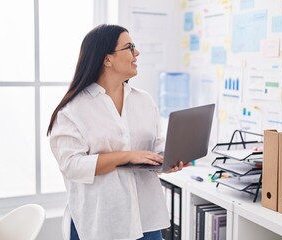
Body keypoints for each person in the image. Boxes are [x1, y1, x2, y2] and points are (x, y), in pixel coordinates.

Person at [47, 24, 189, 240]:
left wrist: (166, 161)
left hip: (146, 218)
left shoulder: (144, 101)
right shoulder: (72, 111)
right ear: (107, 59)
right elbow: (71, 166)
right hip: (102, 223)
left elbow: (155, 146)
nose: (137, 53)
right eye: (129, 47)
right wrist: (127, 156)